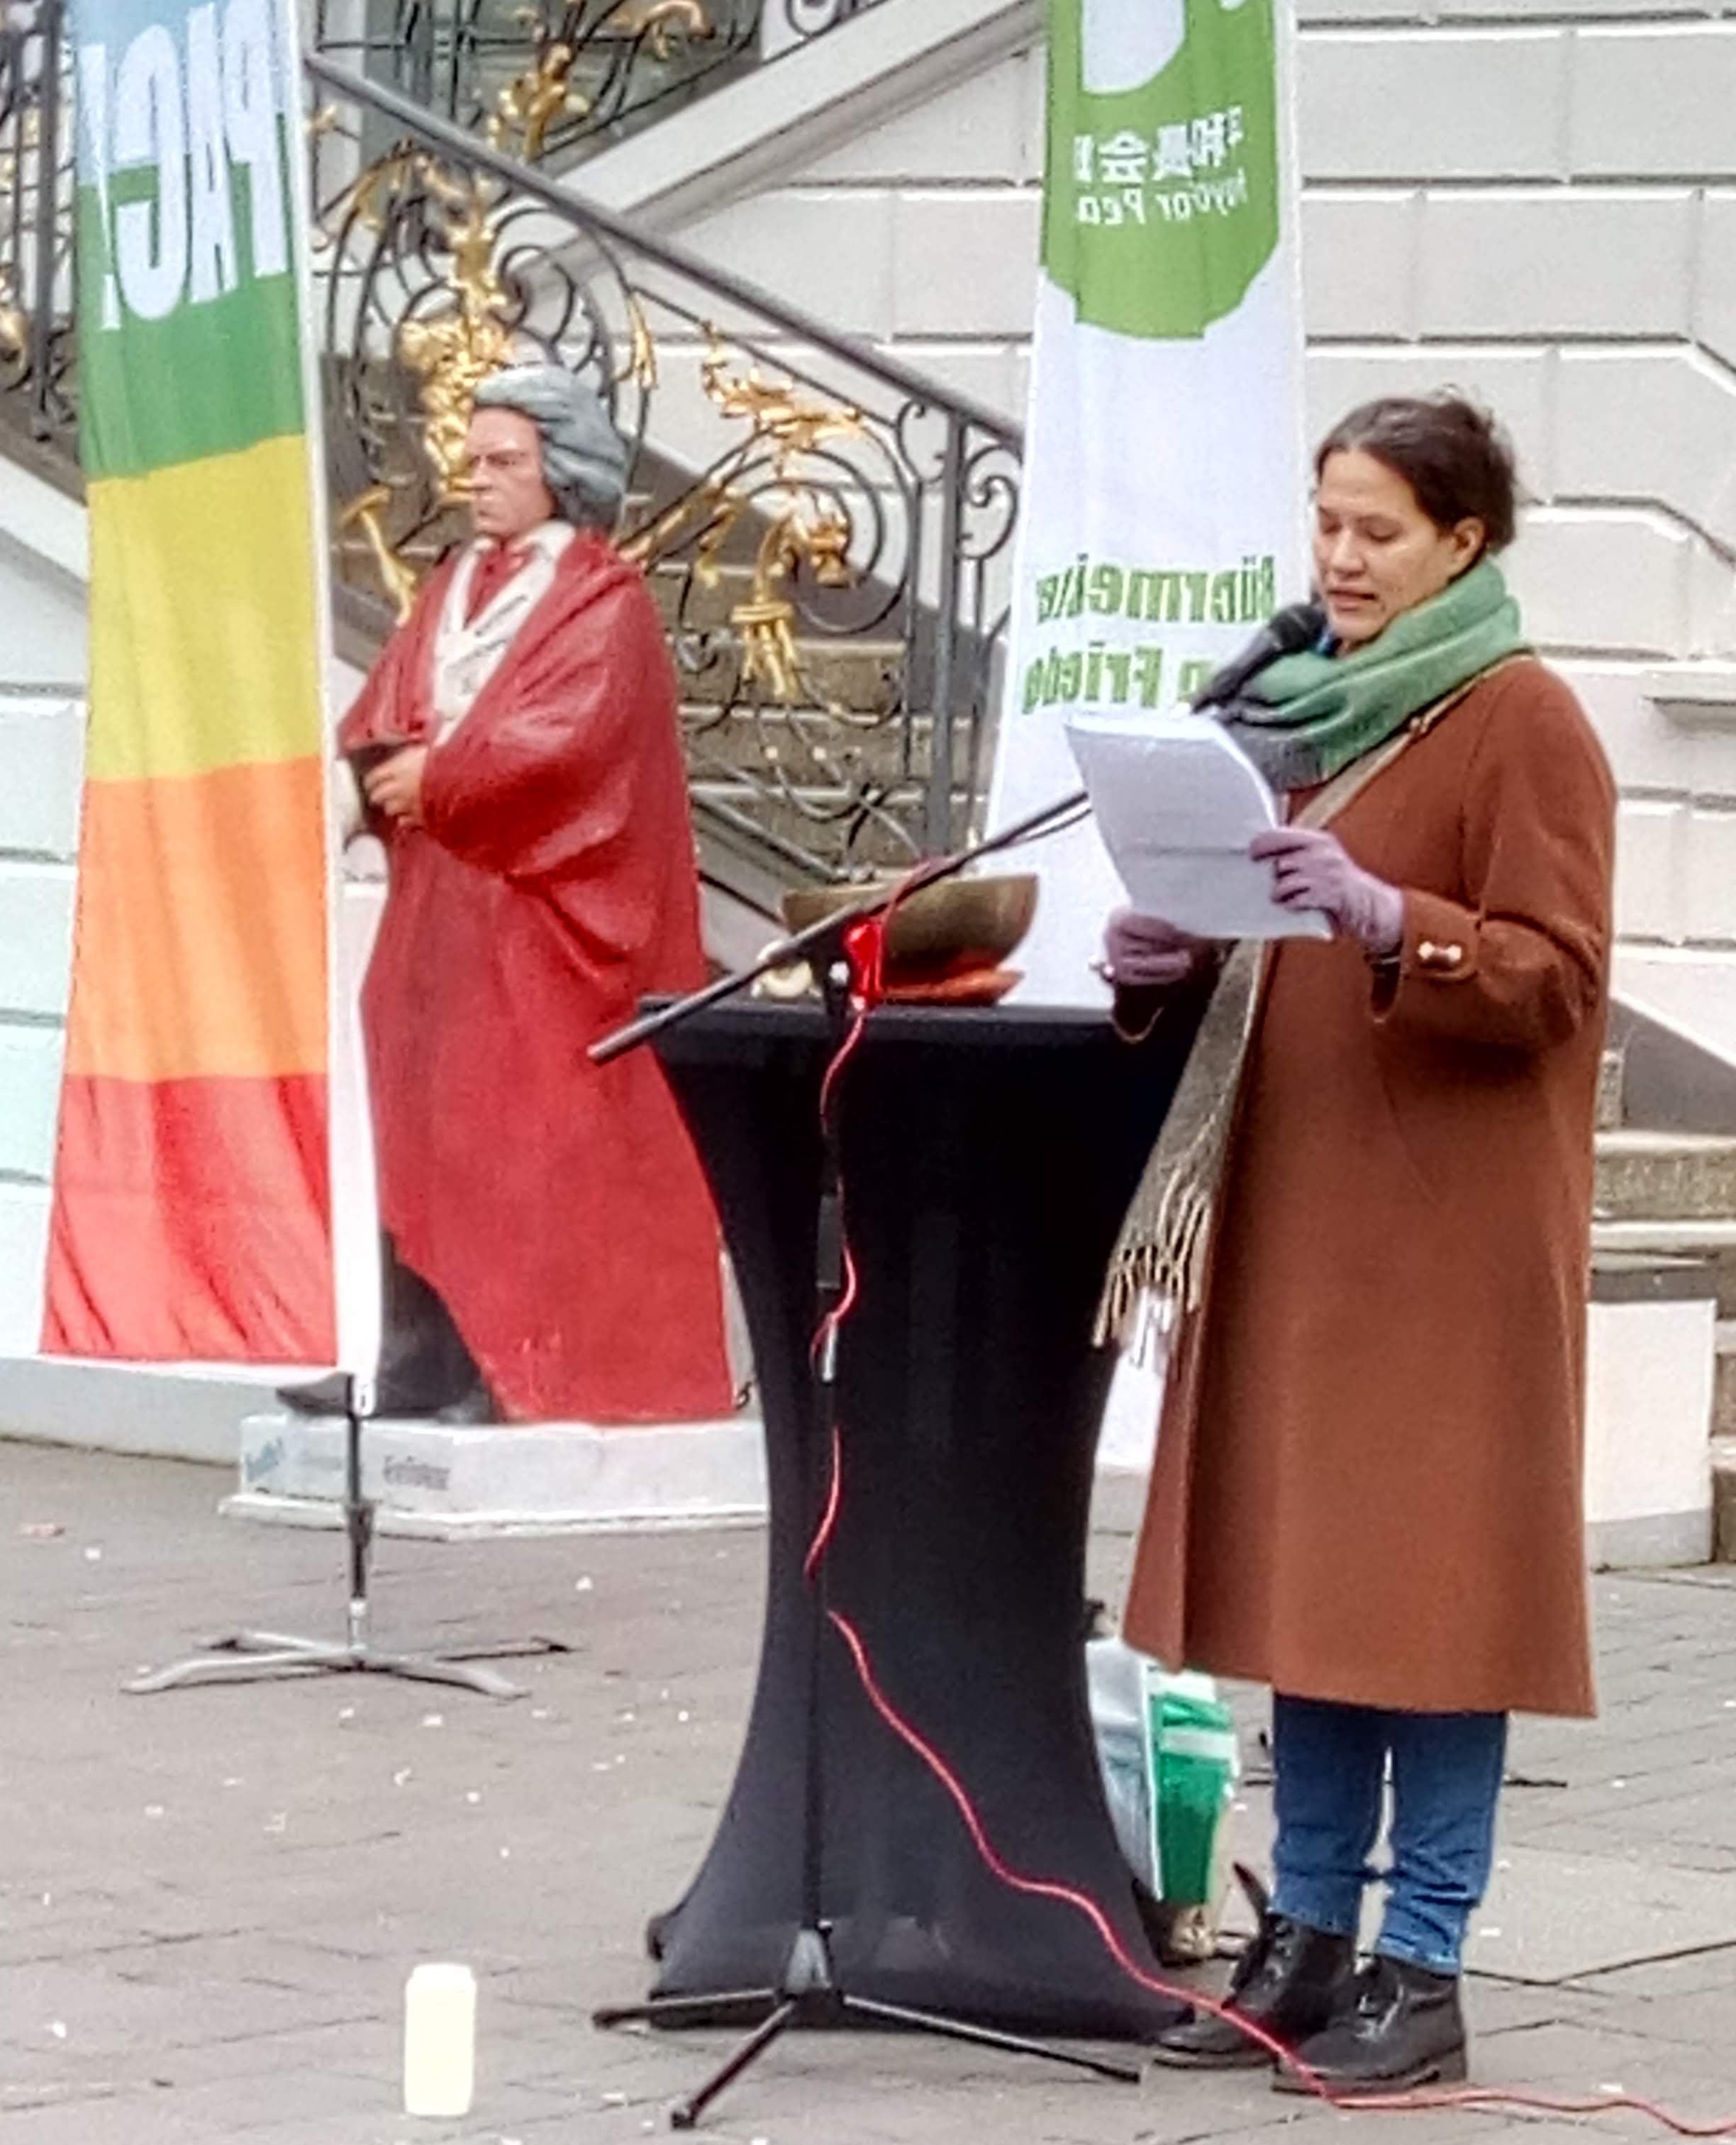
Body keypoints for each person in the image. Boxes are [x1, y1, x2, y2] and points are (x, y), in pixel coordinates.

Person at [1099, 395, 1614, 2093]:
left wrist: (1402, 921)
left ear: (1467, 542)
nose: (1338, 558)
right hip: (1311, 1216)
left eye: (1378, 530)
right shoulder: (1307, 714)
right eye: (1326, 522)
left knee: (1437, 1607)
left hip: (1447, 1247)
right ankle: (1308, 1934)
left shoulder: (1524, 720)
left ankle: (1423, 1958)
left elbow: (1556, 977)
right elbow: (1271, 954)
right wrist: (1165, 954)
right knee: (1319, 1596)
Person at [284, 363, 733, 1427]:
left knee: (512, 1144)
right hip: (440, 917)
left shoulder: (604, 602)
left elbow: (569, 742)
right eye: (473, 459)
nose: (476, 479)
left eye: (503, 462)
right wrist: (355, 783)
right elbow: (396, 698)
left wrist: (438, 778)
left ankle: (514, 1368)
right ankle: (417, 1361)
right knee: (415, 1124)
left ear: (559, 473)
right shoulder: (450, 584)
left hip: (535, 924)